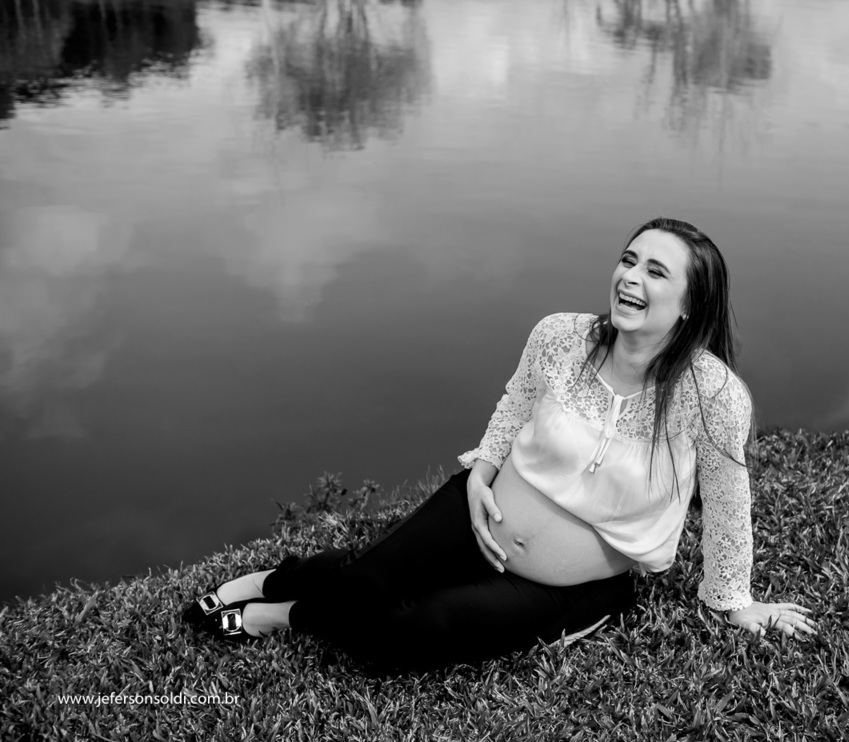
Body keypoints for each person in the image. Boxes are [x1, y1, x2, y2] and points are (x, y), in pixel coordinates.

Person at [183, 217, 816, 673]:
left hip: (567, 586)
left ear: (689, 306)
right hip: (478, 512)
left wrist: (733, 601)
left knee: (402, 634)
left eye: (655, 271)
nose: (630, 278)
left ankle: (276, 615)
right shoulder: (561, 336)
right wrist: (482, 474)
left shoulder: (712, 394)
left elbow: (729, 501)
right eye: (628, 260)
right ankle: (276, 579)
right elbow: (514, 404)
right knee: (367, 583)